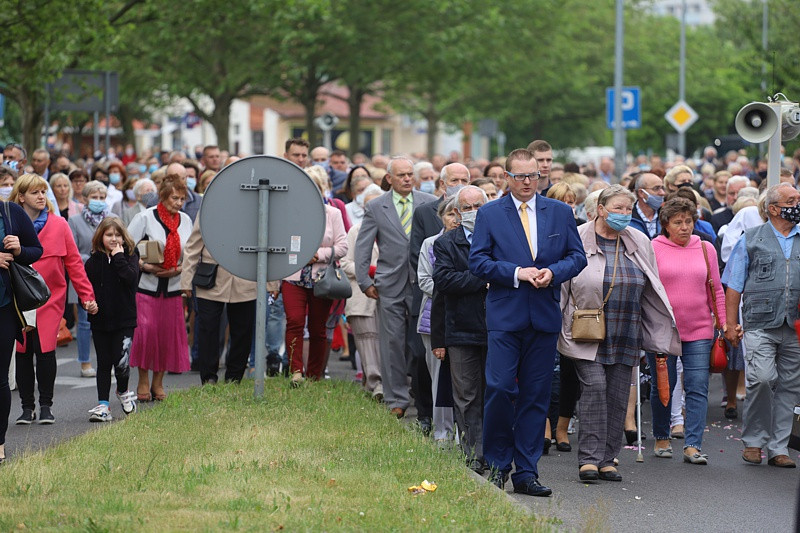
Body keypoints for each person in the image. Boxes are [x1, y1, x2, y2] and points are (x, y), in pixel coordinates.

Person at [470, 148, 586, 496]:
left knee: (536, 396)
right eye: (519, 176)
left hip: (544, 315)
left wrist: (553, 272)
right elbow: (478, 262)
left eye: (532, 176)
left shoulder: (560, 212)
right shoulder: (490, 213)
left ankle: (526, 472)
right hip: (506, 314)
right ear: (506, 177)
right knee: (501, 388)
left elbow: (577, 257)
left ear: (540, 175)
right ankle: (495, 464)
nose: (526, 182)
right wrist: (517, 273)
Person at [558, 185, 680, 482]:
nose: (625, 214)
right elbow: (563, 286)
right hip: (586, 329)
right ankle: (588, 458)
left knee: (617, 395)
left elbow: (652, 287)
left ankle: (608, 458)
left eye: (628, 209)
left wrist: (658, 332)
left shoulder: (638, 239)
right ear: (600, 209)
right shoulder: (578, 236)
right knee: (595, 388)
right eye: (618, 208)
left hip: (627, 329)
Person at [9, 174, 97, 424]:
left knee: (46, 351)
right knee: (23, 351)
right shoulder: (10, 225)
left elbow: (75, 265)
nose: (41, 197)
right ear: (21, 196)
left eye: (43, 192)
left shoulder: (59, 225)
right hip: (19, 301)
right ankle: (27, 408)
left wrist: (87, 296)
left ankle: (46, 405)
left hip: (50, 299)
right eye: (35, 192)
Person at [723, 183, 800, 468]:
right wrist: (730, 324)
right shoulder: (751, 238)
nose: (797, 204)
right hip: (759, 322)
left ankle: (779, 448)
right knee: (762, 379)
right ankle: (754, 440)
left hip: (795, 325)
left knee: (790, 387)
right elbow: (733, 285)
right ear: (773, 208)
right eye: (791, 200)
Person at [355, 157, 438, 418]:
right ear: (389, 178)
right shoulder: (377, 206)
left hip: (422, 283)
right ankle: (396, 398)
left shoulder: (428, 203)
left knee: (422, 342)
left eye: (410, 174)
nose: (406, 179)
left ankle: (423, 395)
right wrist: (364, 280)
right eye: (401, 175)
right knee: (391, 342)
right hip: (389, 284)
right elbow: (363, 246)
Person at [650, 198, 726, 464]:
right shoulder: (653, 248)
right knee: (664, 385)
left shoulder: (706, 248)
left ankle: (693, 444)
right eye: (678, 222)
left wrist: (723, 322)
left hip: (700, 328)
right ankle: (661, 435)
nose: (684, 227)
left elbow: (716, 288)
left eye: (689, 221)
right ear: (666, 225)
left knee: (698, 387)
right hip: (663, 330)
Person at [432, 187, 489, 471]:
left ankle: (493, 451)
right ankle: (473, 455)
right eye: (466, 208)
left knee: (496, 392)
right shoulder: (446, 243)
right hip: (461, 329)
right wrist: (483, 279)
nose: (473, 212)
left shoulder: (499, 239)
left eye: (478, 205)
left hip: (498, 328)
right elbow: (444, 282)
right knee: (466, 396)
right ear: (456, 212)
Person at [127, 175, 192, 401]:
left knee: (167, 336)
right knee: (146, 333)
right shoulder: (144, 218)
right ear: (163, 196)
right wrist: (146, 266)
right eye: (175, 197)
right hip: (147, 287)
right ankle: (143, 381)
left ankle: (158, 383)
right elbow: (127, 250)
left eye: (182, 199)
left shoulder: (185, 220)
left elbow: (191, 254)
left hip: (173, 288)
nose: (179, 203)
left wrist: (179, 269)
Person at [282, 174, 347, 386]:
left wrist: (318, 255)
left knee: (319, 327)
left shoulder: (333, 214)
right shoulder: (289, 214)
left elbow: (342, 247)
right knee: (295, 321)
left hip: (321, 279)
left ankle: (314, 375)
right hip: (293, 277)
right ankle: (296, 372)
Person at [180, 215, 256, 385]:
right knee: (207, 328)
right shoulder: (212, 202)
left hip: (245, 276)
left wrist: (271, 283)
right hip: (211, 276)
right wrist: (186, 279)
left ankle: (234, 378)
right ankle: (208, 378)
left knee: (243, 330)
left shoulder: (256, 201)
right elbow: (193, 245)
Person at [84, 218, 140, 422]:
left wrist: (118, 257)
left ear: (124, 238)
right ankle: (103, 405)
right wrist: (88, 303)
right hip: (100, 320)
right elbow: (86, 290)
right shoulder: (93, 261)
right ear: (101, 237)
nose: (114, 239)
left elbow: (131, 279)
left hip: (124, 318)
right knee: (104, 362)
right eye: (109, 235)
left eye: (118, 235)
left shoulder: (130, 257)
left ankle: (124, 392)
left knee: (122, 361)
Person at [0, 194, 42, 462]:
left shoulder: (10, 212)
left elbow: (36, 251)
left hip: (3, 308)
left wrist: (18, 250)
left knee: (0, 378)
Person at [418, 196, 459, 442]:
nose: (455, 219)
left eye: (458, 213)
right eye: (450, 214)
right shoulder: (430, 243)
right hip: (433, 317)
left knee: (464, 379)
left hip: (465, 318)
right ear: (441, 216)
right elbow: (424, 280)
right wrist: (456, 289)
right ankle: (442, 432)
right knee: (438, 379)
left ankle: (461, 432)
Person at [341, 186, 384, 400]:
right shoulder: (356, 231)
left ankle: (376, 383)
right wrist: (369, 270)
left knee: (386, 341)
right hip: (360, 294)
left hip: (389, 295)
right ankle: (376, 385)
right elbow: (344, 263)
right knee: (367, 341)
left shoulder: (394, 230)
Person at [69, 181, 115, 377]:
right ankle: (85, 363)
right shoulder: (74, 220)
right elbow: (71, 251)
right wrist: (93, 259)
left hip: (110, 277)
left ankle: (111, 361)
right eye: (94, 197)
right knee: (85, 322)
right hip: (84, 277)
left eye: (102, 198)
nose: (98, 201)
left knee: (111, 320)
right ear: (85, 198)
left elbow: (121, 244)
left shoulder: (113, 219)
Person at [630, 172, 666, 239]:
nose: (662, 193)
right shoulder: (628, 218)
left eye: (662, 188)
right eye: (656, 188)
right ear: (641, 193)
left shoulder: (667, 216)